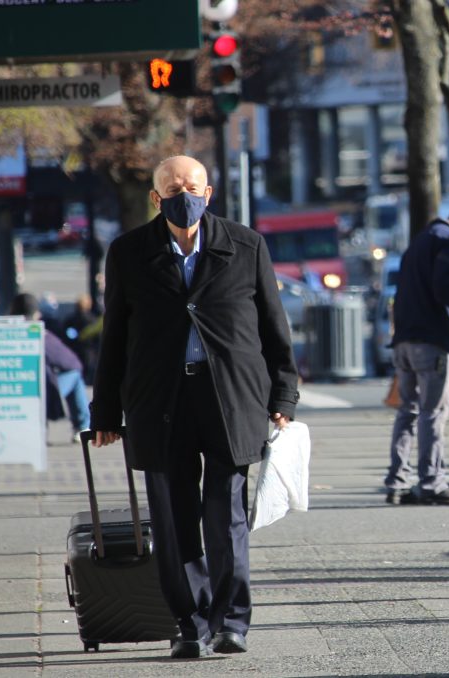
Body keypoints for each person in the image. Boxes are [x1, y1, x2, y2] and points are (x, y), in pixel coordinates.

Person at [89, 155, 299, 659]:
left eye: (194, 185)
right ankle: (190, 623)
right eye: (174, 187)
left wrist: (283, 395)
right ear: (156, 198)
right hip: (159, 400)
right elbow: (114, 337)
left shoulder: (246, 246)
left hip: (230, 398)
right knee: (172, 517)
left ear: (210, 192)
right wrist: (105, 413)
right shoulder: (128, 252)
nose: (185, 194)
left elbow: (274, 328)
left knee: (225, 513)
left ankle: (230, 621)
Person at [383, 197, 449, 506]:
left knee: (408, 411)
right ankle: (432, 483)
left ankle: (397, 482)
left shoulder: (419, 241)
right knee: (433, 412)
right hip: (430, 341)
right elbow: (448, 285)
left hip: (403, 340)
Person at [8, 293, 90, 442]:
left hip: (11, 389)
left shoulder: (5, 332)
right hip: (40, 391)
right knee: (75, 374)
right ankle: (82, 426)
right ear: (36, 313)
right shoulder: (38, 333)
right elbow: (70, 361)